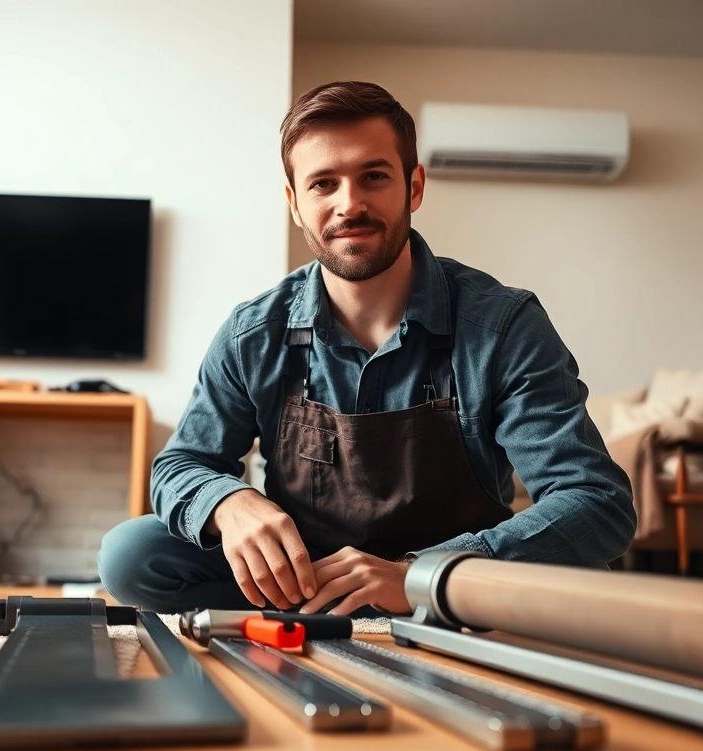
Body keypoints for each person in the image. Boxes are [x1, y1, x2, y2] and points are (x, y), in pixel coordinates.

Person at [99, 81, 635, 616]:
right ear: (294, 204)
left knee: (584, 566)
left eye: (374, 176)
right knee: (132, 554)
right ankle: (329, 611)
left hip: (447, 583)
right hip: (307, 582)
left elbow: (596, 501)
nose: (349, 205)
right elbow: (181, 465)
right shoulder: (252, 334)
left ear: (414, 188)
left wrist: (418, 574)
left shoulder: (503, 325)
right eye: (323, 184)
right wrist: (228, 503)